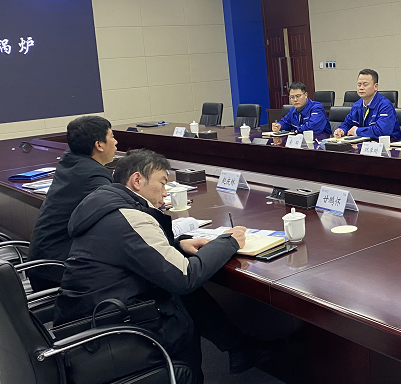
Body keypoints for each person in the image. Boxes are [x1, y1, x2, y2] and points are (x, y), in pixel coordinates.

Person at [53, 149, 276, 382]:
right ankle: (220, 356)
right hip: (114, 333)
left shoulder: (104, 205)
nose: (165, 191)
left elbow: (132, 253)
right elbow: (185, 277)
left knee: (186, 294)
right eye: (162, 182)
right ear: (137, 180)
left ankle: (238, 348)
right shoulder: (129, 217)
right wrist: (229, 242)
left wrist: (178, 246)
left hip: (89, 318)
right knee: (183, 298)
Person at [27, 115, 117, 291]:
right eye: (112, 136)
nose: (116, 142)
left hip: (41, 262)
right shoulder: (94, 175)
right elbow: (117, 215)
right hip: (58, 272)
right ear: (99, 145)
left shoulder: (70, 161)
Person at [333, 69, 401, 140]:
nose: (361, 88)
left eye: (365, 84)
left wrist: (357, 131)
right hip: (364, 143)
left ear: (375, 87)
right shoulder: (357, 105)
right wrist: (341, 130)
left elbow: (382, 131)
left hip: (389, 144)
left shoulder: (385, 105)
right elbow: (347, 124)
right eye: (359, 84)